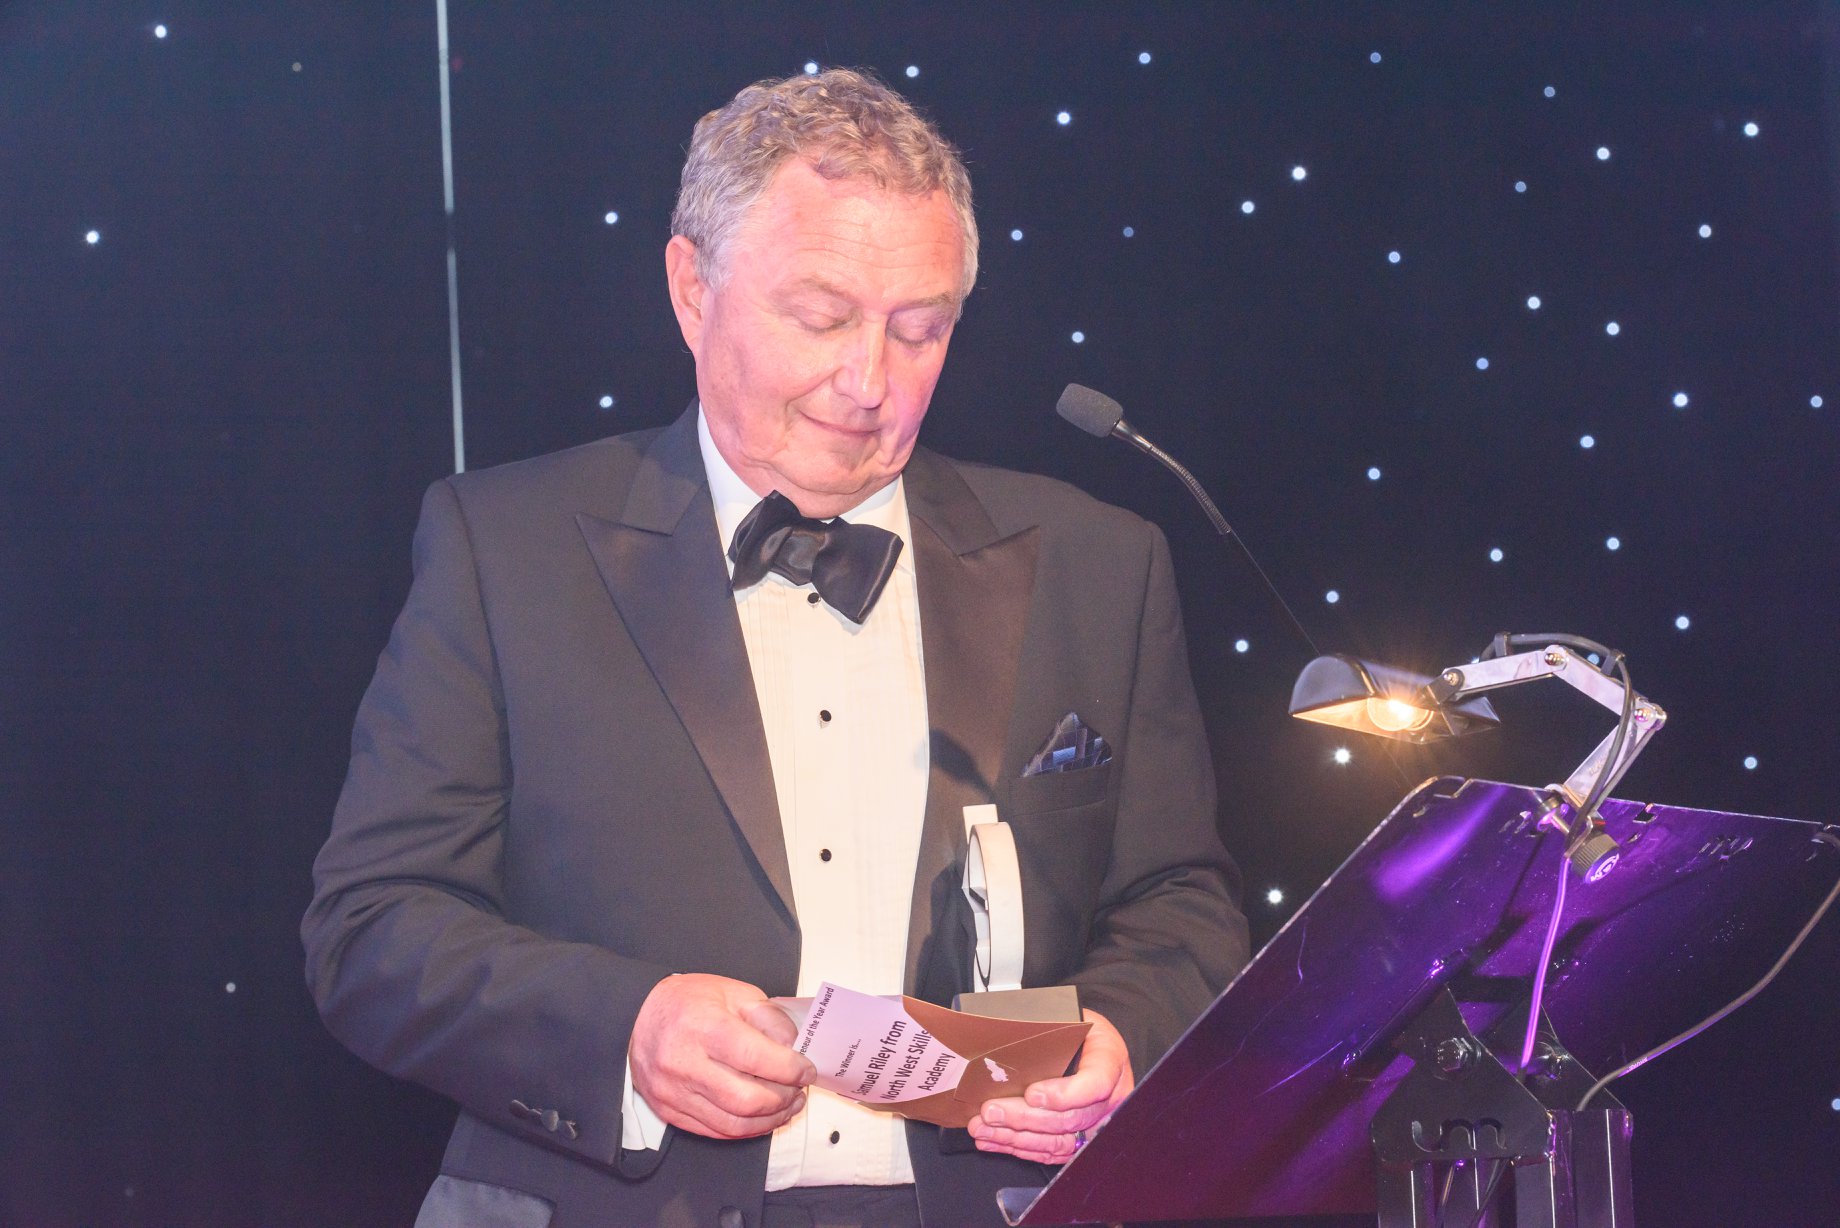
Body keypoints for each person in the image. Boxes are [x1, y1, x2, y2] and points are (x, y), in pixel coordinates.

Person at [302, 68, 1248, 1228]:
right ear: (691, 290)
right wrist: (626, 1027)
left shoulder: (1100, 559)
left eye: (920, 329)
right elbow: (372, 926)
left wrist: (1116, 1030)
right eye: (821, 317)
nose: (869, 381)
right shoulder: (505, 547)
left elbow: (1179, 903)